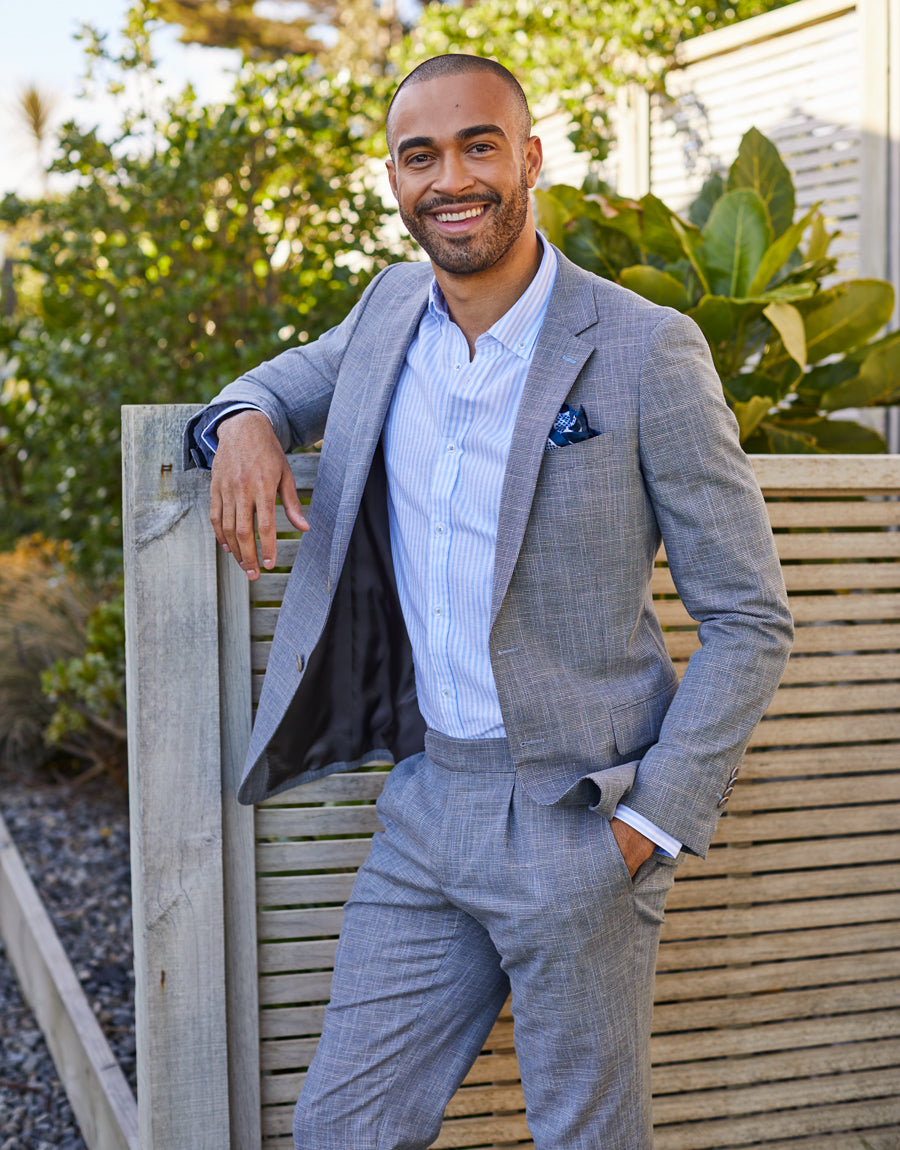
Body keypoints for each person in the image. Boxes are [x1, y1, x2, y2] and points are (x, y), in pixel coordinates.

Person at [184, 53, 792, 1150]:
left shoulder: (646, 348)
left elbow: (750, 616)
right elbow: (271, 384)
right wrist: (240, 425)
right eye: (422, 155)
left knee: (585, 1136)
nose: (450, 178)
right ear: (395, 178)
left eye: (478, 145)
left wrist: (646, 827)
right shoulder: (383, 315)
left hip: (581, 818)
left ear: (529, 160)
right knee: (341, 1127)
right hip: (427, 807)